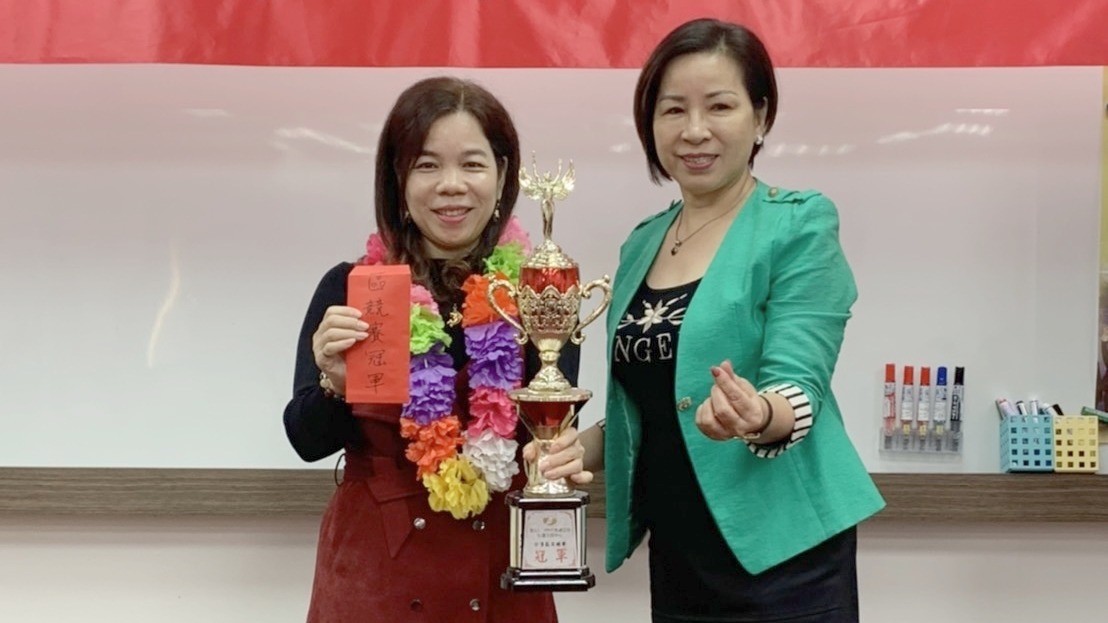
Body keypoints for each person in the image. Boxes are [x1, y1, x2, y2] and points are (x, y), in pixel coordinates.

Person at [554, 18, 886, 623]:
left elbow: (800, 383)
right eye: (673, 110)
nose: (694, 130)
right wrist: (578, 446)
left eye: (720, 106)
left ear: (761, 117)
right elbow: (649, 400)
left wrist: (758, 414)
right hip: (679, 551)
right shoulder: (642, 243)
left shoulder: (798, 222)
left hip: (786, 559)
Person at [282, 76, 589, 623]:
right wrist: (335, 386)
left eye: (472, 164)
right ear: (397, 178)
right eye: (427, 165)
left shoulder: (540, 293)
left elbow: (547, 436)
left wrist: (562, 456)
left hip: (501, 567)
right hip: (377, 574)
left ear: (502, 175)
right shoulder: (351, 286)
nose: (451, 185)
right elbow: (306, 440)